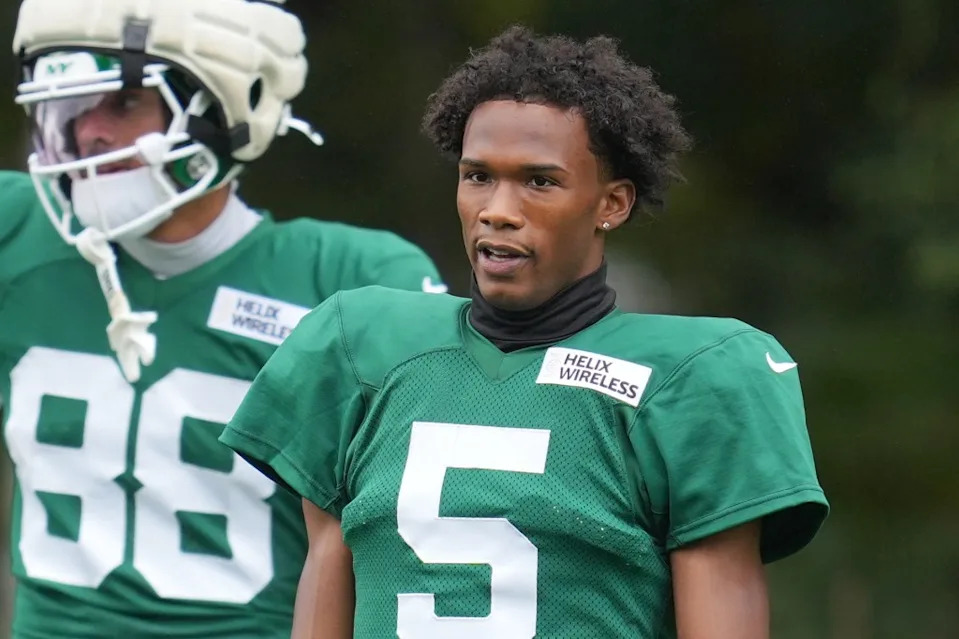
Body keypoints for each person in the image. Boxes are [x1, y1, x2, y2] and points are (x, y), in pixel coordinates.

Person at [221, 25, 829, 639]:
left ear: (611, 204)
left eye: (540, 181)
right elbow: (325, 582)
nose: (498, 209)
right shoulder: (360, 346)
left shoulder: (693, 377)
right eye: (478, 175)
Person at [0, 0, 444, 637]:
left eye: (122, 103)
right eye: (68, 109)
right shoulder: (17, 232)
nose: (88, 133)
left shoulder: (347, 280)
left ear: (219, 106)